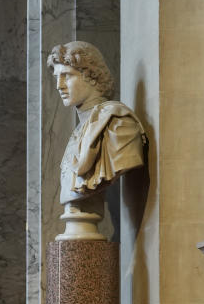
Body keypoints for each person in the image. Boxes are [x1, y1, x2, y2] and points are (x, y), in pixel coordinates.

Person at [47, 41, 146, 239]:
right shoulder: (79, 131)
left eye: (67, 75)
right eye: (57, 77)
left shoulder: (118, 125)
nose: (59, 86)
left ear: (92, 76)